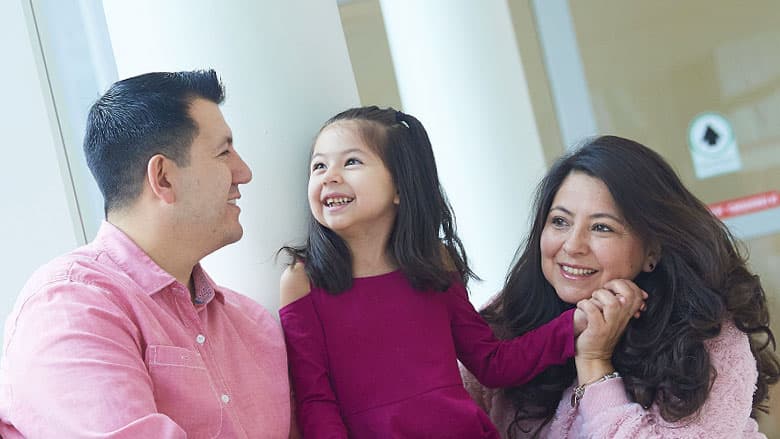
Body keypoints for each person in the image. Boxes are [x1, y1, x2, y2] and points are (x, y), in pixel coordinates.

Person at [278, 107, 646, 438]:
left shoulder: (435, 264)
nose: (329, 177)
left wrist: (577, 322)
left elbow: (492, 363)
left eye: (351, 162)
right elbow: (315, 400)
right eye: (319, 165)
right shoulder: (302, 282)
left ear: (400, 186)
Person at [0, 70, 293, 438]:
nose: (244, 172)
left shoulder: (255, 327)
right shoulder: (69, 306)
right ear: (164, 178)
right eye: (224, 153)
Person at [462, 135, 780, 438]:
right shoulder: (509, 316)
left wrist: (595, 363)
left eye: (602, 227)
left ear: (652, 250)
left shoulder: (707, 336)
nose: (572, 245)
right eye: (560, 221)